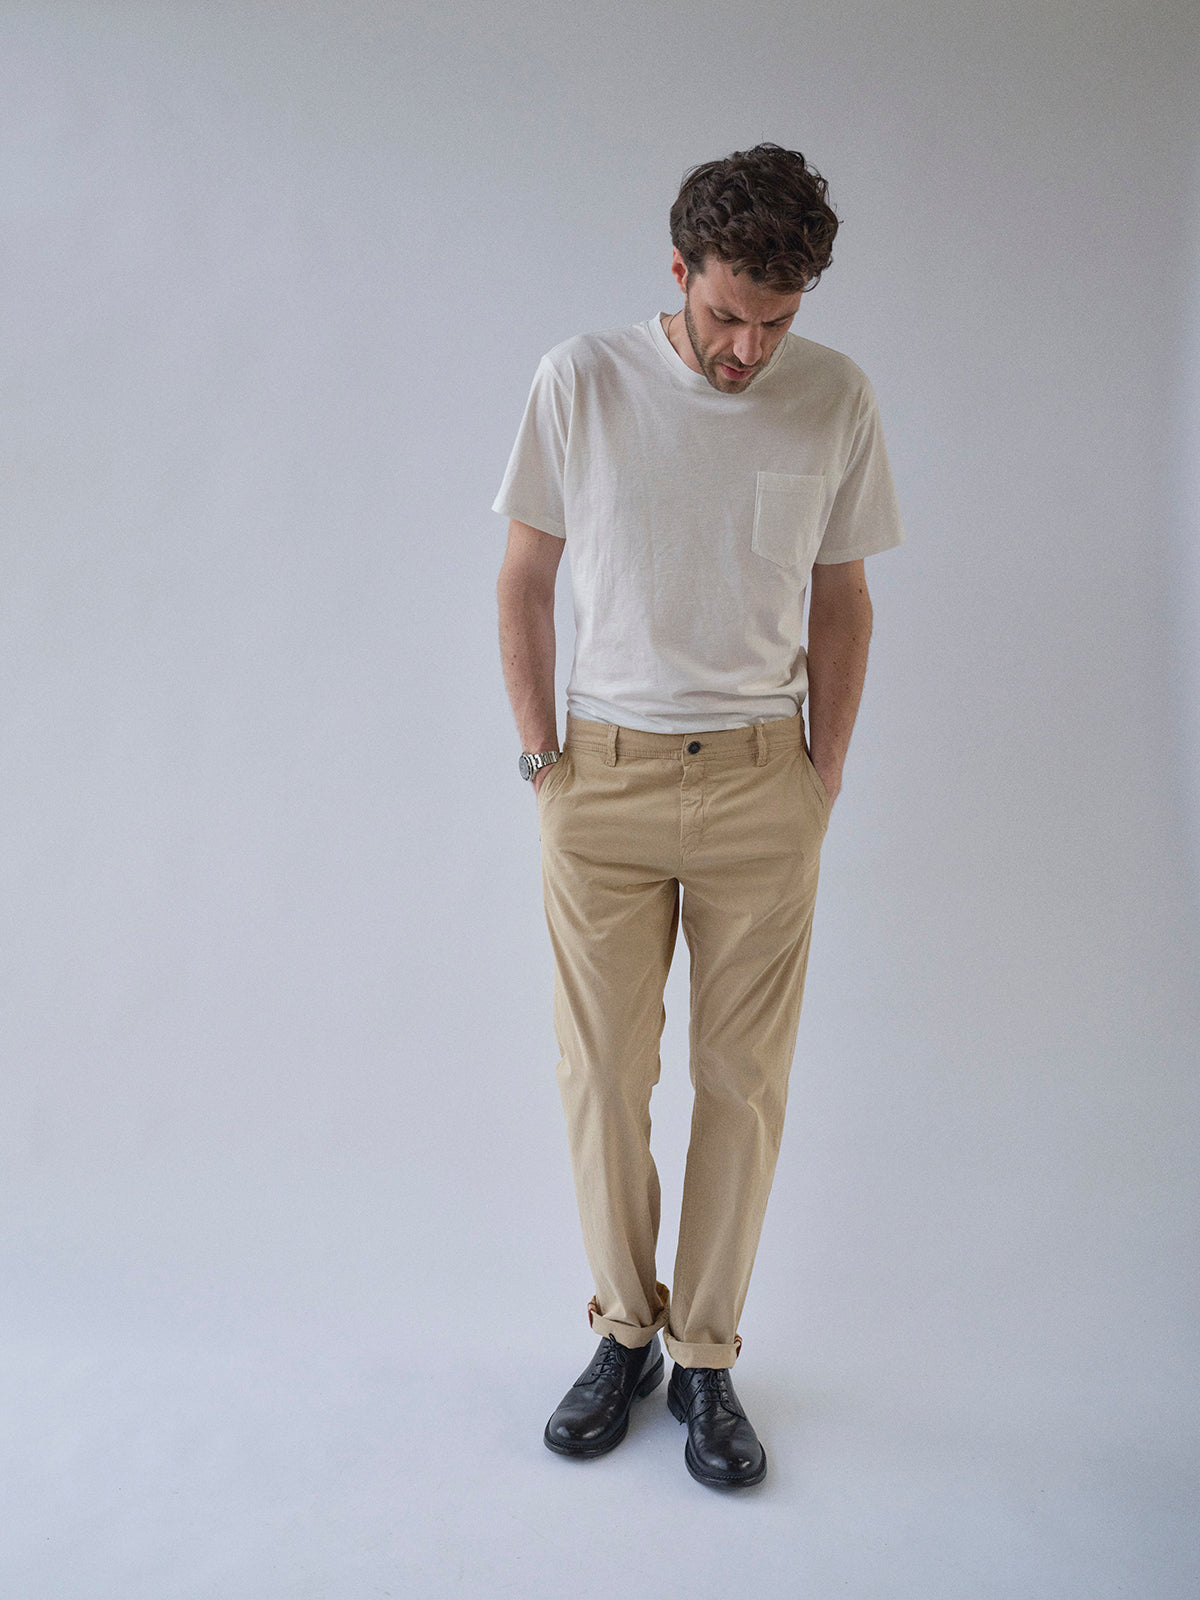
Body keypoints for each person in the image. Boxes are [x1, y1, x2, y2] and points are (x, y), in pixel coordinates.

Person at [493, 143, 904, 1490]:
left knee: (743, 1084)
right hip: (598, 782)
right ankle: (623, 1331)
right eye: (727, 314)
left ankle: (708, 1356)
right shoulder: (582, 380)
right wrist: (542, 762)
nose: (747, 350)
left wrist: (819, 777)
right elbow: (520, 581)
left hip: (758, 784)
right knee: (602, 1077)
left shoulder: (835, 397)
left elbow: (842, 599)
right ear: (679, 273)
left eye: (776, 323)